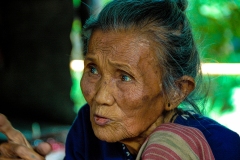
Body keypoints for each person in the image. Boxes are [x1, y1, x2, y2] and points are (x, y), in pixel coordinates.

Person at [0, 0, 240, 159]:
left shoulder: (204, 147)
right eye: (93, 69)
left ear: (176, 91)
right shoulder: (87, 128)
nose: (100, 97)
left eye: (124, 77)